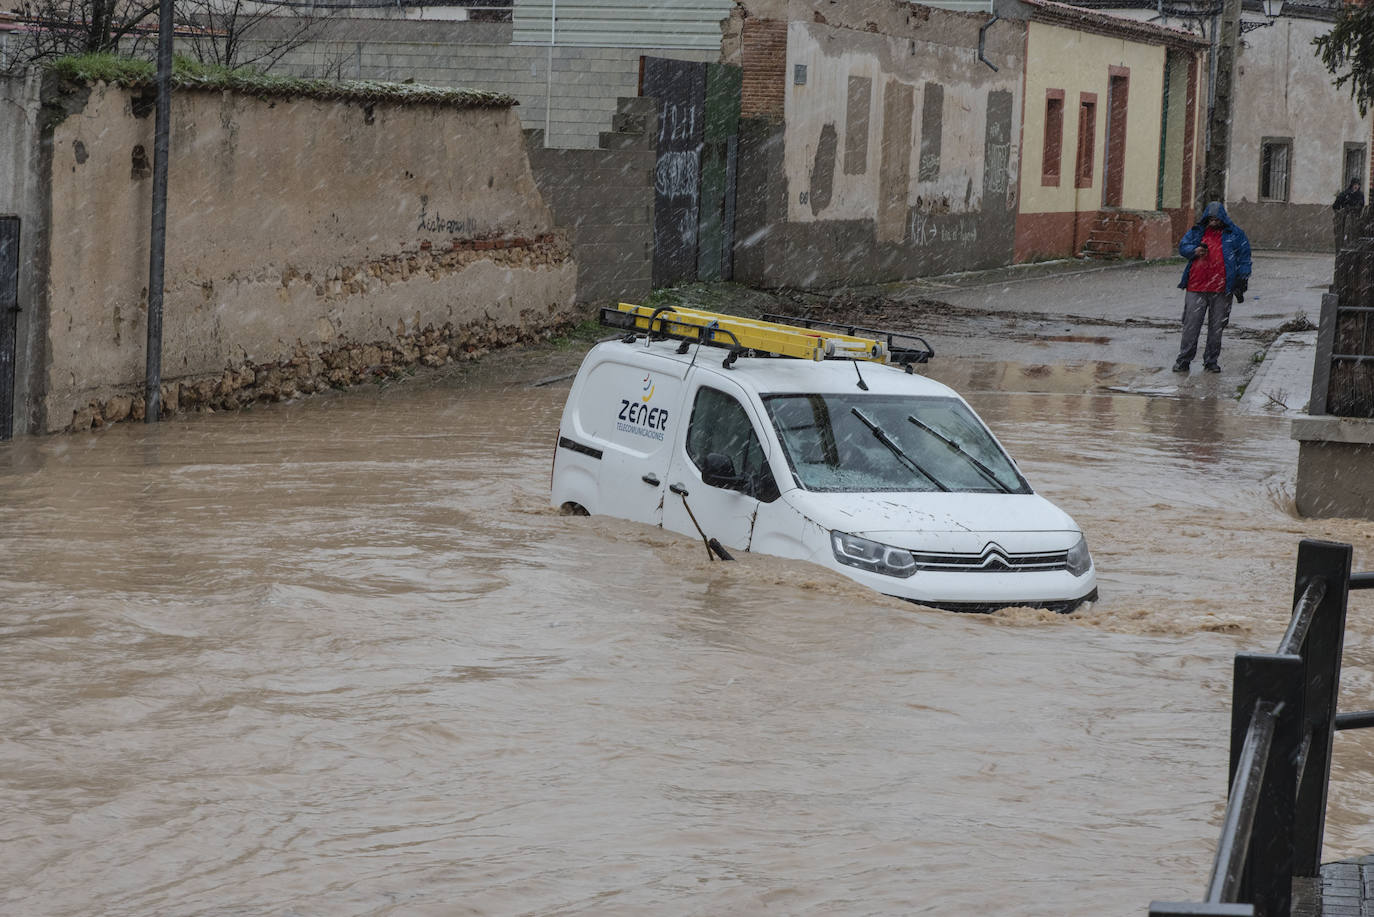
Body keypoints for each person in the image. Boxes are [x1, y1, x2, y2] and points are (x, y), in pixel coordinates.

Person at [1173, 201, 1252, 374]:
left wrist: (1242, 278)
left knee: (1216, 328)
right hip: (1196, 286)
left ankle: (1211, 361)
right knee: (1191, 326)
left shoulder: (1236, 234)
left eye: (1216, 219)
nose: (1213, 222)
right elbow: (1183, 247)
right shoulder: (1197, 232)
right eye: (1211, 219)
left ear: (1223, 218)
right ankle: (1184, 360)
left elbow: (1244, 258)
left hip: (1222, 289)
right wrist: (1195, 250)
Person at [1333, 177, 1365, 250]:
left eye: (1357, 184)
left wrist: (1356, 209)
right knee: (1344, 234)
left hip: (1355, 218)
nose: (1356, 186)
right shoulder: (1345, 193)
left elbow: (1361, 205)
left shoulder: (1360, 195)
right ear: (1352, 185)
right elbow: (1336, 205)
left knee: (1353, 235)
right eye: (1355, 184)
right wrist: (1341, 211)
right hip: (1345, 217)